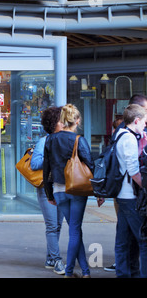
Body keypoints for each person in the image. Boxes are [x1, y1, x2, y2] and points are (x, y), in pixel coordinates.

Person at [43, 104, 94, 278]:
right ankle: (70, 271)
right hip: (77, 189)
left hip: (58, 190)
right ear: (77, 120)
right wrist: (99, 191)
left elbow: (46, 169)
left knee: (74, 230)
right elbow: (90, 165)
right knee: (75, 230)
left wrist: (49, 194)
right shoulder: (79, 139)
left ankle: (85, 271)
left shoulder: (50, 139)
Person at [104, 94, 147, 273]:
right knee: (143, 240)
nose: (145, 125)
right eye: (144, 121)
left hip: (122, 195)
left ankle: (124, 273)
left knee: (123, 239)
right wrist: (144, 186)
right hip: (130, 196)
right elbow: (132, 169)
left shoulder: (120, 133)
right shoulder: (129, 138)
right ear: (137, 120)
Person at [30, 106, 65, 275]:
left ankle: (50, 257)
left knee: (58, 225)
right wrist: (52, 157)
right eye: (61, 120)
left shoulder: (65, 139)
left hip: (61, 188)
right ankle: (57, 260)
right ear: (54, 123)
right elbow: (34, 164)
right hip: (47, 188)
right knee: (52, 226)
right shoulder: (44, 141)